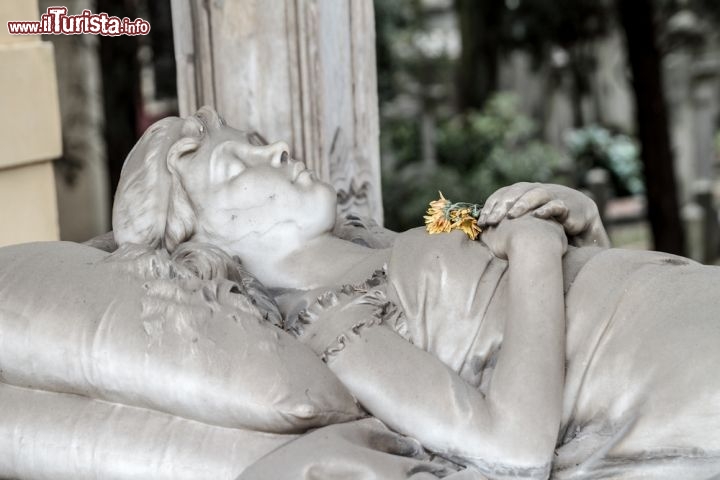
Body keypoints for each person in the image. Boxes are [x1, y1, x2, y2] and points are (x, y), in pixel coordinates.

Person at [111, 107, 720, 480]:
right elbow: (514, 448)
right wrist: (536, 251)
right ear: (204, 241)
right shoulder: (333, 324)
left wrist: (578, 223)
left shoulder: (382, 250)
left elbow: (566, 320)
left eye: (257, 138)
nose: (274, 149)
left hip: (672, 315)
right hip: (677, 371)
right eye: (237, 167)